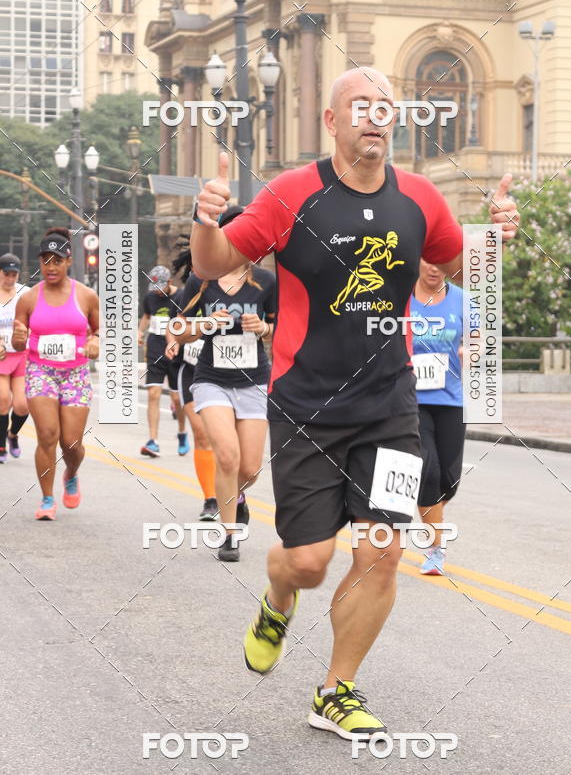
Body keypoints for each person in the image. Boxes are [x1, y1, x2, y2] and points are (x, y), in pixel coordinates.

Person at [191, 66, 519, 738]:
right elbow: (212, 260)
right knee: (309, 563)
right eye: (359, 107)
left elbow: (462, 266)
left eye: (385, 108)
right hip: (305, 410)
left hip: (390, 408)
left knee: (381, 549)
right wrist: (203, 222)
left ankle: (335, 690)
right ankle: (278, 595)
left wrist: (498, 236)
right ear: (333, 123)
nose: (374, 117)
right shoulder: (291, 195)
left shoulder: (421, 199)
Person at [171, 206, 275, 562]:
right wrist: (204, 325)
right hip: (212, 379)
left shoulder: (267, 281)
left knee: (249, 469)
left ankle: (239, 496)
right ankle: (229, 534)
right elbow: (178, 330)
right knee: (227, 457)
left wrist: (263, 329)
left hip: (254, 380)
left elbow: (282, 328)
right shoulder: (201, 280)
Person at [12, 227, 100, 520]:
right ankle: (47, 499)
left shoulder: (86, 296)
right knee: (47, 435)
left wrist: (94, 341)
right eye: (45, 260)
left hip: (74, 373)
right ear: (39, 263)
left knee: (71, 443)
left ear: (68, 261)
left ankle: (71, 474)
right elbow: (17, 339)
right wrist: (19, 339)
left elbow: (99, 332)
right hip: (40, 371)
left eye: (57, 260)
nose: (51, 267)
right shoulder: (28, 299)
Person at [410, 259, 465, 576]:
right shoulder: (402, 297)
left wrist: (471, 350)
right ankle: (435, 549)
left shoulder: (461, 299)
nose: (434, 268)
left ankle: (429, 509)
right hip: (411, 400)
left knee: (449, 480)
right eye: (428, 261)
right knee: (427, 471)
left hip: (452, 400)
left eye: (441, 261)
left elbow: (480, 339)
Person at [167, 245, 217, 521]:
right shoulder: (189, 292)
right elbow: (173, 325)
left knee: (225, 441)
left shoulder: (234, 291)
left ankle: (233, 489)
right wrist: (173, 343)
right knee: (203, 434)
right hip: (191, 371)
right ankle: (210, 498)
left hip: (226, 373)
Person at [137, 265, 189, 458]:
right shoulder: (150, 297)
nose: (157, 291)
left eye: (160, 286)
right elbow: (147, 316)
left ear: (169, 282)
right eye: (154, 287)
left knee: (176, 397)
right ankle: (153, 441)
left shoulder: (182, 296)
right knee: (153, 393)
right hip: (155, 348)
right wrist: (140, 332)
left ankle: (182, 433)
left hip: (176, 349)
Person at [0, 253, 29, 462]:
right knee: (3, 400)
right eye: (6, 274)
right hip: (1, 356)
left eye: (14, 274)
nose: (10, 279)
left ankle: (13, 435)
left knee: (22, 405)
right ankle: (1, 446)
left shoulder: (25, 294)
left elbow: (38, 320)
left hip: (22, 354)